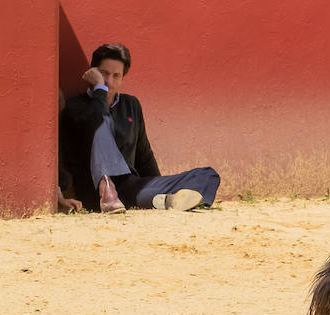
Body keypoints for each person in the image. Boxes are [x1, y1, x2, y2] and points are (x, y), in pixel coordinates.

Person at [59, 42, 221, 213]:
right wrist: (99, 89)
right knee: (101, 125)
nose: (108, 81)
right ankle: (108, 188)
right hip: (95, 193)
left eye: (116, 76)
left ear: (122, 79)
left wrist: (158, 183)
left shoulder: (131, 105)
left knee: (208, 174)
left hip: (131, 187)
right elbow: (97, 118)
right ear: (93, 73)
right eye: (103, 74)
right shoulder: (76, 106)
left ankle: (167, 199)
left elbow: (144, 154)